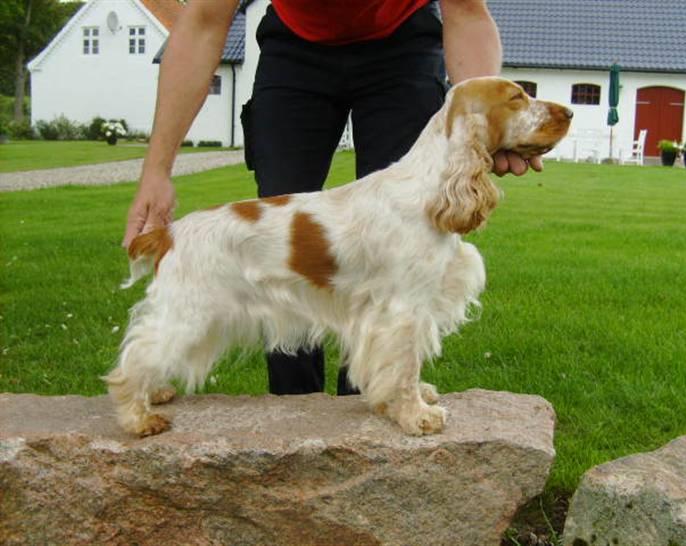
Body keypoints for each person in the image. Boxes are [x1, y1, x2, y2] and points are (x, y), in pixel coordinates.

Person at [122, 0, 542, 397]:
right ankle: (295, 413)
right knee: (276, 244)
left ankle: (383, 394)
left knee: (409, 237)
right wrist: (156, 170)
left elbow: (466, 12)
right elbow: (201, 23)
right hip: (296, 47)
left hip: (403, 45)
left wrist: (488, 124)